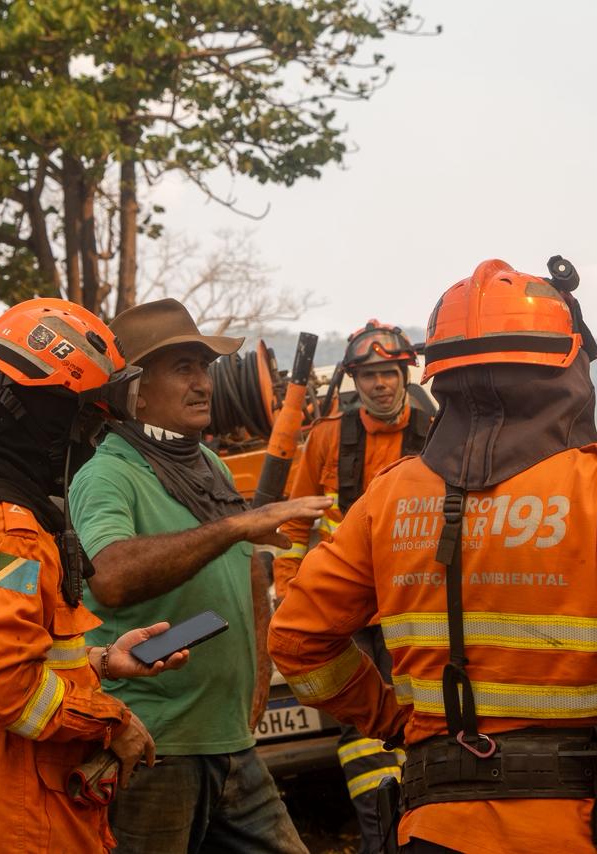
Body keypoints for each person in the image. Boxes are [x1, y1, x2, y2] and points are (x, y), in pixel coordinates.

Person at [268, 258, 597, 853]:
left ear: (437, 376)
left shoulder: (389, 498)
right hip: (580, 826)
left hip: (435, 825)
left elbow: (296, 640)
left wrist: (398, 723)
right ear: (568, 367)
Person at [0, 298, 189, 854]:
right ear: (50, 417)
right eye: (88, 418)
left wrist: (102, 663)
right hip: (18, 813)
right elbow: (7, 688)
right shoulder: (10, 535)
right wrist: (113, 721)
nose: (92, 438)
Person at [69, 298, 332, 853]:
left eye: (204, 367)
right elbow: (110, 576)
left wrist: (258, 674)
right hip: (154, 746)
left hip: (229, 741)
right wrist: (237, 526)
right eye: (182, 368)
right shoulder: (108, 474)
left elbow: (246, 569)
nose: (203, 384)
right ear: (133, 389)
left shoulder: (205, 464)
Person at [272, 320, 435, 854]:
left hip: (419, 606)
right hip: (352, 612)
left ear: (404, 374)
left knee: (429, 715)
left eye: (388, 373)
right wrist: (290, 593)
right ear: (353, 381)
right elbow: (294, 527)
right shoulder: (328, 437)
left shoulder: (440, 429)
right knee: (363, 734)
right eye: (368, 376)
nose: (380, 385)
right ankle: (380, 841)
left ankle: (431, 828)